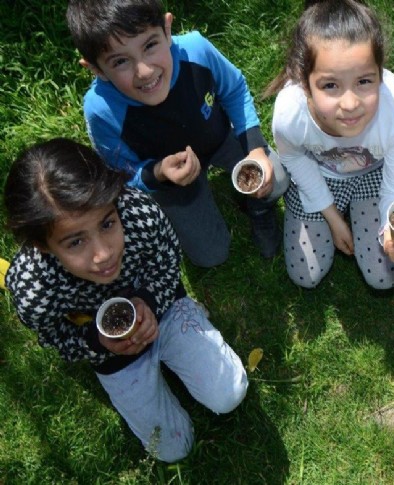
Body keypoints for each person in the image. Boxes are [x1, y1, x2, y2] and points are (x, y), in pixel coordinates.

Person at [3, 138, 248, 462]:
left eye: (107, 223)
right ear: (43, 246)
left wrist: (150, 300)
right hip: (108, 351)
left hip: (165, 309)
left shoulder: (137, 211)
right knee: (173, 448)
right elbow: (55, 337)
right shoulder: (34, 289)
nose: (103, 253)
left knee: (229, 393)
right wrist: (97, 341)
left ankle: (185, 325)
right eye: (76, 242)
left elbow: (167, 259)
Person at [66, 0, 290, 266]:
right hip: (169, 178)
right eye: (120, 61)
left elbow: (235, 91)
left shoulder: (196, 50)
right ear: (96, 69)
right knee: (211, 255)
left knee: (277, 180)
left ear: (167, 29)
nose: (145, 72)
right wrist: (159, 173)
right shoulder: (101, 109)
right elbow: (120, 171)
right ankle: (197, 199)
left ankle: (258, 208)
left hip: (219, 139)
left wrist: (255, 149)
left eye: (150, 46)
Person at [266, 0, 394, 289]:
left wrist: (391, 229)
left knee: (383, 277)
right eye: (330, 86)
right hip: (321, 175)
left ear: (381, 72)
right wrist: (331, 215)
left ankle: (362, 210)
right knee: (305, 275)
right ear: (304, 83)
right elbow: (294, 159)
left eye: (364, 81)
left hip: (375, 173)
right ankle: (339, 212)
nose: (350, 104)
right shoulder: (289, 114)